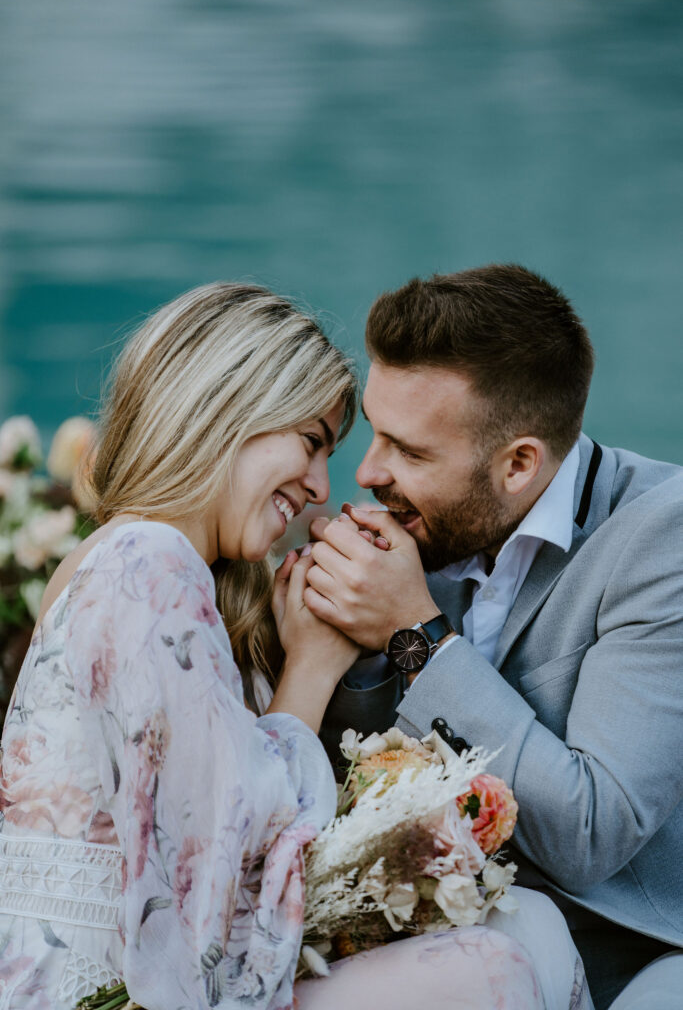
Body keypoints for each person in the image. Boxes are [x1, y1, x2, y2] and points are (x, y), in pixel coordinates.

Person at [0, 282, 567, 1010]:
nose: (320, 484)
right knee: (492, 967)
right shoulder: (148, 561)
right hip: (96, 991)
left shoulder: (129, 562)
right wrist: (313, 667)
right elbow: (228, 842)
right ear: (227, 411)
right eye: (309, 442)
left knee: (535, 932)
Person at [305, 265, 683, 1010]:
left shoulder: (660, 539)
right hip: (425, 941)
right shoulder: (415, 529)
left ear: (518, 464)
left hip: (635, 958)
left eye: (408, 452)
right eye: (375, 432)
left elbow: (591, 829)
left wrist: (415, 635)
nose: (368, 471)